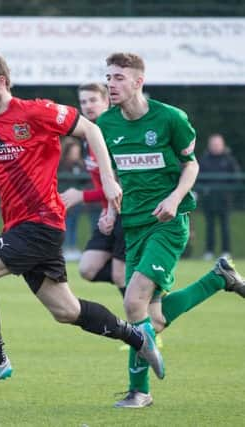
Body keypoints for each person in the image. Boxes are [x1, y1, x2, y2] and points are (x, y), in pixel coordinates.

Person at [0, 49, 165, 395]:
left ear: (1, 81)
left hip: (41, 224)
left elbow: (90, 129)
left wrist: (107, 179)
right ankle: (136, 335)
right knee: (67, 310)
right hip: (20, 228)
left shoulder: (35, 111)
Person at [98, 52, 245, 408]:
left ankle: (140, 391)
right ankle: (218, 278)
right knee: (154, 319)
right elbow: (113, 174)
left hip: (167, 225)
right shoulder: (106, 125)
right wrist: (108, 208)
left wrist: (176, 198)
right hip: (132, 227)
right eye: (108, 77)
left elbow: (190, 165)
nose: (111, 84)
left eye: (119, 77)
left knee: (133, 303)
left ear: (138, 81)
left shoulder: (171, 118)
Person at [61, 83, 126, 296]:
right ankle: (143, 283)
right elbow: (102, 185)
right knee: (87, 269)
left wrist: (82, 195)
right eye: (83, 101)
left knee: (120, 276)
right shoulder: (89, 137)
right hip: (109, 212)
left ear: (106, 101)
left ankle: (145, 317)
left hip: (127, 212)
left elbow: (118, 186)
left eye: (93, 100)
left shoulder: (115, 135)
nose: (87, 106)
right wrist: (106, 211)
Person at [198, 133, 241, 261]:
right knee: (209, 227)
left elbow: (236, 178)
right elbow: (197, 178)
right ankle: (209, 252)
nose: (215, 146)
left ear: (222, 145)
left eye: (218, 144)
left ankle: (226, 252)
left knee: (225, 227)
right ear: (209, 145)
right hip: (208, 200)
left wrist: (229, 193)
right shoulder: (204, 160)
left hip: (225, 201)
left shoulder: (229, 160)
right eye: (213, 144)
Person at [58, 140, 86, 261]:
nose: (76, 154)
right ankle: (65, 248)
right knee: (66, 225)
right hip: (64, 201)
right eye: (74, 152)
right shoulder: (62, 165)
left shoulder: (80, 165)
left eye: (77, 152)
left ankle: (72, 247)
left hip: (77, 203)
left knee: (74, 224)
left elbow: (84, 182)